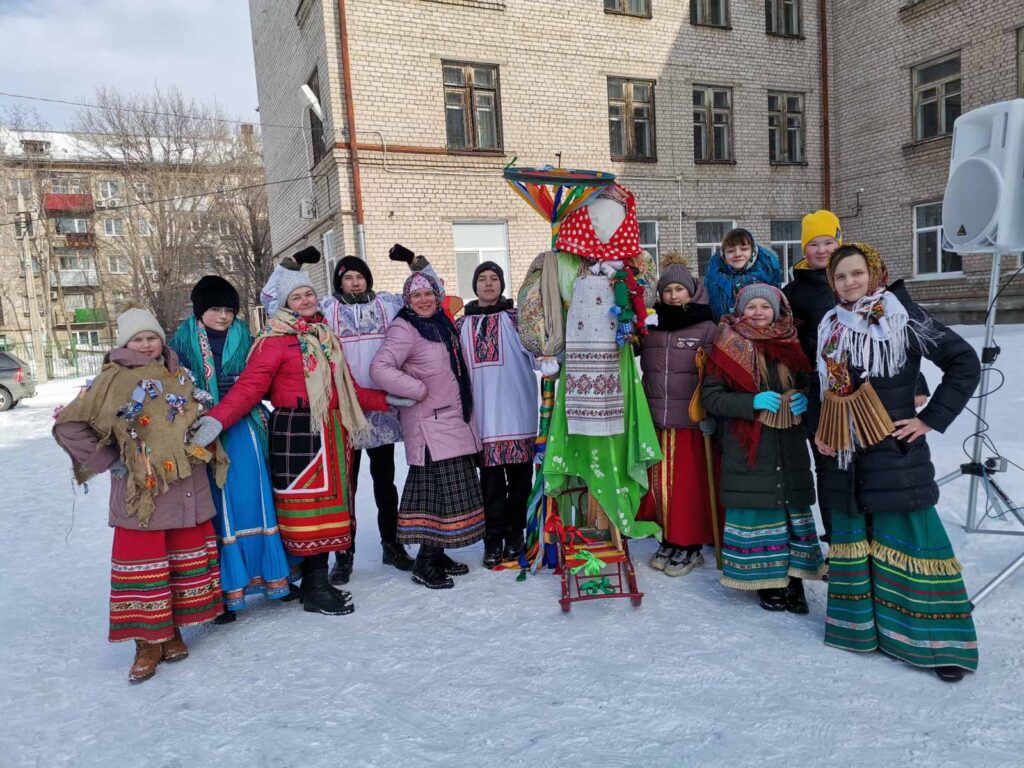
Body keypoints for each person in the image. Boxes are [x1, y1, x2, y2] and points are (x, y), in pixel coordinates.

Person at [811, 243, 981, 682]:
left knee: (913, 544)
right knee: (859, 542)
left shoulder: (902, 316)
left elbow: (964, 361)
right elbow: (827, 388)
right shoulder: (830, 325)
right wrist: (823, 432)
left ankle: (940, 646)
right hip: (847, 458)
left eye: (856, 273)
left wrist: (929, 420)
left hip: (894, 455)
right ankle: (866, 633)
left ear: (873, 272)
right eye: (840, 277)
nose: (849, 283)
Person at [192, 269, 395, 616]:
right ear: (285, 304)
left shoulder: (326, 336)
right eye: (296, 297)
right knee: (306, 511)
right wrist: (216, 420)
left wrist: (388, 400)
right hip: (297, 430)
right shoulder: (273, 341)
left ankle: (317, 582)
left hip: (332, 431)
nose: (304, 301)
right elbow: (249, 388)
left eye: (308, 295)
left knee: (331, 510)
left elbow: (349, 389)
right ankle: (314, 587)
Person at [54, 307, 224, 683]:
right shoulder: (112, 379)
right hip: (143, 491)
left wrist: (203, 431)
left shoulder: (178, 373)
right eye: (138, 339)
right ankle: (147, 643)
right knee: (144, 564)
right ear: (125, 343)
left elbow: (194, 412)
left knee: (177, 562)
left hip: (183, 485)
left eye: (152, 338)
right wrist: (110, 460)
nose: (147, 345)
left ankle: (172, 632)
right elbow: (69, 425)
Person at [260, 244, 433, 585]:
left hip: (382, 407)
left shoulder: (387, 304)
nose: (355, 283)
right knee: (346, 486)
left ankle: (392, 544)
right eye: (348, 277)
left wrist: (415, 262)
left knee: (385, 481)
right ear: (339, 283)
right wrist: (291, 265)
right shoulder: (325, 308)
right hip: (344, 407)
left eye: (359, 277)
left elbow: (428, 292)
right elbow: (271, 298)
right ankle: (344, 552)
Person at [782, 211, 928, 542]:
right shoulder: (793, 292)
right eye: (814, 244)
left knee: (872, 467)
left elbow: (896, 339)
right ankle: (838, 539)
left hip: (872, 391)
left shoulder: (869, 288)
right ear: (804, 248)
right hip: (823, 392)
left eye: (829, 242)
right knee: (829, 466)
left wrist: (917, 384)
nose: (822, 250)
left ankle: (875, 537)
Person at [169, 275, 294, 624]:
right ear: (200, 310)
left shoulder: (251, 340)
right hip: (205, 432)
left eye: (229, 309)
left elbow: (267, 377)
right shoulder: (179, 344)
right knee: (220, 506)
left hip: (247, 428)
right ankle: (227, 591)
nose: (223, 316)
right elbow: (173, 385)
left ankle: (275, 579)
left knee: (257, 499)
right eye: (215, 309)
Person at [702, 284, 826, 612]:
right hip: (749, 448)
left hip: (787, 444)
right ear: (740, 310)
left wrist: (804, 397)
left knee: (789, 509)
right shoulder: (726, 344)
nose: (758, 312)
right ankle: (767, 579)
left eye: (765, 306)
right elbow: (711, 397)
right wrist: (750, 401)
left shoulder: (791, 340)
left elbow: (809, 381)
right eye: (751, 306)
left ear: (777, 310)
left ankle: (794, 578)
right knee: (760, 511)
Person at [370, 271, 485, 589]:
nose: (423, 300)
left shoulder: (441, 323)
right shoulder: (404, 328)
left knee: (442, 495)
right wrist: (416, 389)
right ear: (407, 300)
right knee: (439, 493)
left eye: (428, 294)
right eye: (416, 295)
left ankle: (436, 553)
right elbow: (380, 368)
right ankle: (425, 562)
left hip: (451, 419)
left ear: (437, 296)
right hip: (430, 422)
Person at [637, 260, 719, 577]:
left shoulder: (706, 327)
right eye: (667, 290)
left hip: (691, 420)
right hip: (657, 418)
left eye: (679, 289)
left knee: (686, 486)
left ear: (692, 291)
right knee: (661, 485)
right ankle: (670, 538)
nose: (673, 296)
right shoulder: (652, 328)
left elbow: (715, 373)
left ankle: (690, 544)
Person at [456, 261, 538, 568]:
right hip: (484, 419)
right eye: (482, 279)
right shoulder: (461, 325)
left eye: (494, 279)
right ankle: (492, 541)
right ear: (474, 285)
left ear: (502, 285)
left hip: (517, 414)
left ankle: (515, 536)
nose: (488, 284)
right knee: (489, 487)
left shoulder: (519, 320)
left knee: (520, 484)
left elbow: (541, 351)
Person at [704, 227, 783, 322]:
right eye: (730, 251)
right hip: (723, 332)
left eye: (744, 249)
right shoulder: (714, 275)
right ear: (723, 254)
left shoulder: (767, 271)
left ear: (753, 251)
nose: (737, 254)